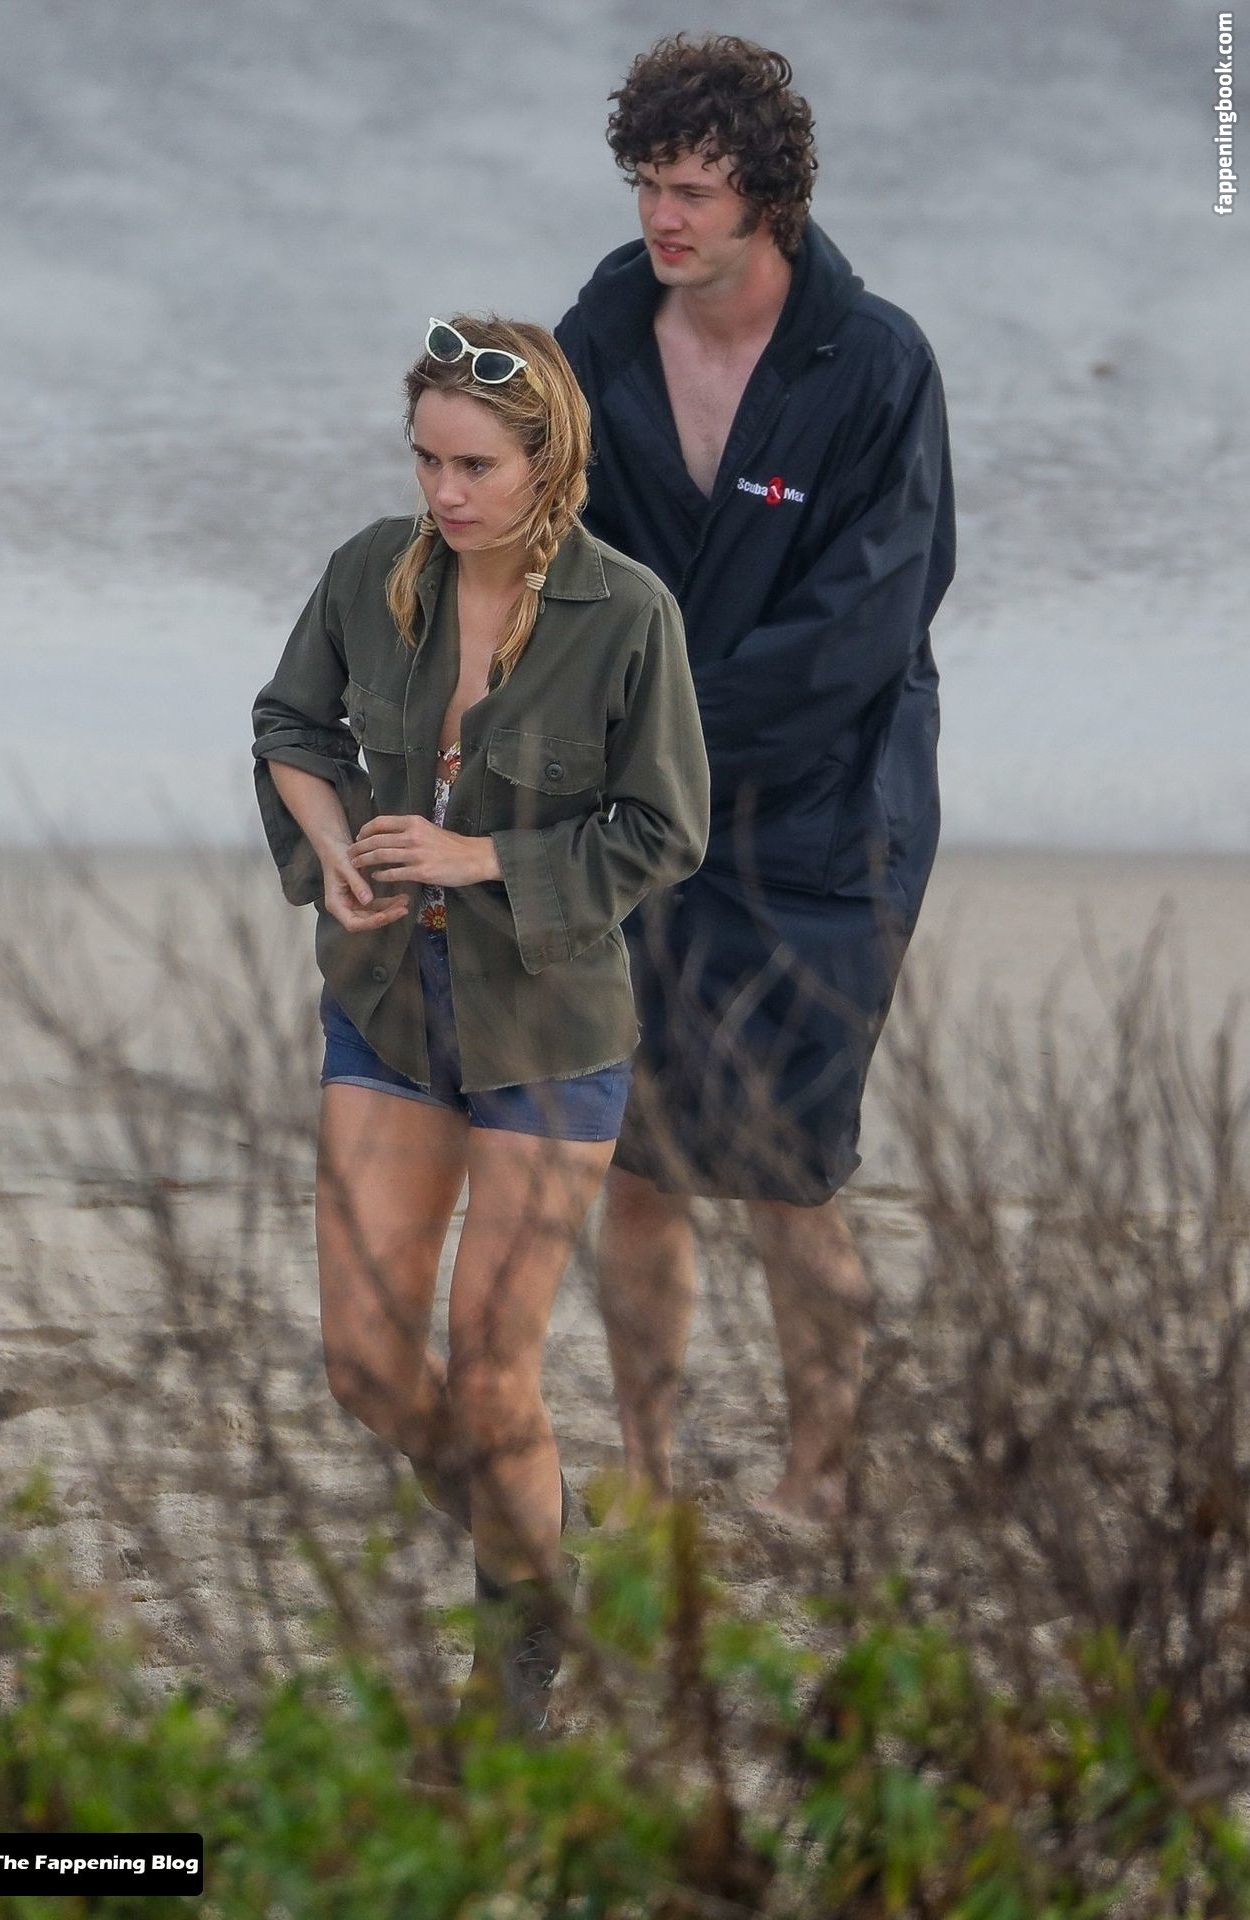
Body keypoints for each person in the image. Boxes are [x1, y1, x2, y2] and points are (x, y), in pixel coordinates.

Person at [250, 315, 709, 1731]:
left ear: (546, 462)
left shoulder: (627, 613)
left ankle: (510, 1679)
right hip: (387, 1005)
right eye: (426, 461)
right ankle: (541, 1541)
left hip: (549, 1027)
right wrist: (330, 846)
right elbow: (290, 728)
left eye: (474, 467)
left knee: (493, 1362)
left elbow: (666, 829)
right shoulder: (367, 575)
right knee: (365, 1365)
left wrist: (479, 857)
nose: (444, 495)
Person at [554, 34, 956, 1523]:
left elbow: (867, 622)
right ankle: (647, 1475)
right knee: (637, 1166)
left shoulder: (879, 364)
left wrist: (657, 731)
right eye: (650, 184)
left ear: (769, 200)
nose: (663, 218)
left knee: (792, 1174)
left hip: (829, 822)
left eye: (697, 193)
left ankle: (820, 1479)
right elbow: (548, 566)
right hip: (644, 826)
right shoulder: (594, 342)